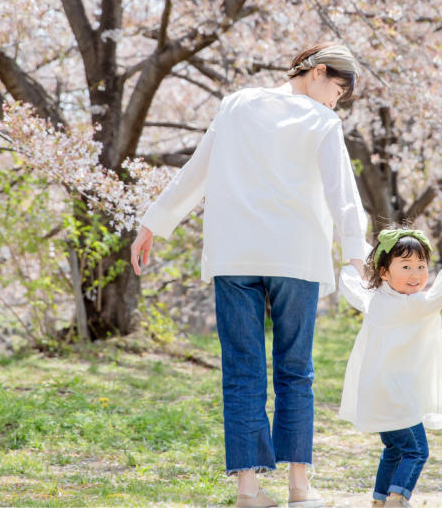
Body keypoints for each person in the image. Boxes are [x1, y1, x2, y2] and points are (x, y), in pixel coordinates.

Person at [130, 42, 369, 508]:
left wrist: (152, 222)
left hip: (235, 256)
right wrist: (354, 257)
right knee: (295, 371)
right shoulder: (322, 123)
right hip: (295, 258)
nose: (334, 102)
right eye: (337, 90)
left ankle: (248, 491)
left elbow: (197, 171)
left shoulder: (237, 104)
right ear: (318, 72)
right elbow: (344, 195)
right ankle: (299, 488)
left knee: (242, 371)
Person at [337, 228, 442, 508]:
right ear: (384, 272)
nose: (416, 274)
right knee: (416, 451)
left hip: (376, 391)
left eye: (421, 266)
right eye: (405, 266)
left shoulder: (375, 301)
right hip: (400, 394)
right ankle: (398, 497)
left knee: (393, 449)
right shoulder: (417, 305)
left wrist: (350, 262)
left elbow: (353, 285)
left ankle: (380, 499)